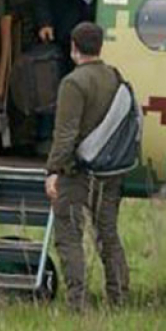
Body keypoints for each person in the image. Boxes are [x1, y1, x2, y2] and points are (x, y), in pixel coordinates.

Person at [45, 22, 130, 311]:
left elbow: (66, 133)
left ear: (73, 47)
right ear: (100, 46)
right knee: (108, 234)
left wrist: (53, 170)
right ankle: (118, 299)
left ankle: (77, 303)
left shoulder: (74, 82)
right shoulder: (115, 77)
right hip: (109, 171)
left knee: (69, 234)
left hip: (76, 172)